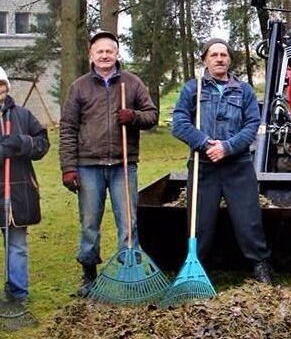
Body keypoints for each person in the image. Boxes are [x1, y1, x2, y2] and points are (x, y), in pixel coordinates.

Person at [60, 30, 159, 296]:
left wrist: (134, 116)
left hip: (122, 165)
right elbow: (68, 128)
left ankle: (129, 272)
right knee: (90, 223)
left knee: (128, 222)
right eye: (99, 51)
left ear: (117, 54)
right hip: (88, 165)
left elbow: (152, 116)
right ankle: (89, 275)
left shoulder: (132, 83)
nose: (105, 55)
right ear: (91, 55)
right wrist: (68, 167)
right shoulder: (79, 86)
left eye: (109, 51)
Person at [171, 37, 273, 284]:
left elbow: (252, 126)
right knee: (200, 223)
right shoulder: (192, 89)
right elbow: (179, 124)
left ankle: (260, 266)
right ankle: (196, 269)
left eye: (224, 55)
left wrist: (227, 147)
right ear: (205, 59)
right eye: (214, 55)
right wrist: (206, 145)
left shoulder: (244, 90)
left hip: (237, 166)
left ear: (229, 60)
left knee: (248, 220)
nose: (219, 59)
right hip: (203, 165)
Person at [0, 67, 49, 304]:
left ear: (6, 87)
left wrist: (21, 143)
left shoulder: (24, 115)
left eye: (1, 84)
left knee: (17, 244)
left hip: (18, 191)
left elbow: (43, 144)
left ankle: (18, 292)